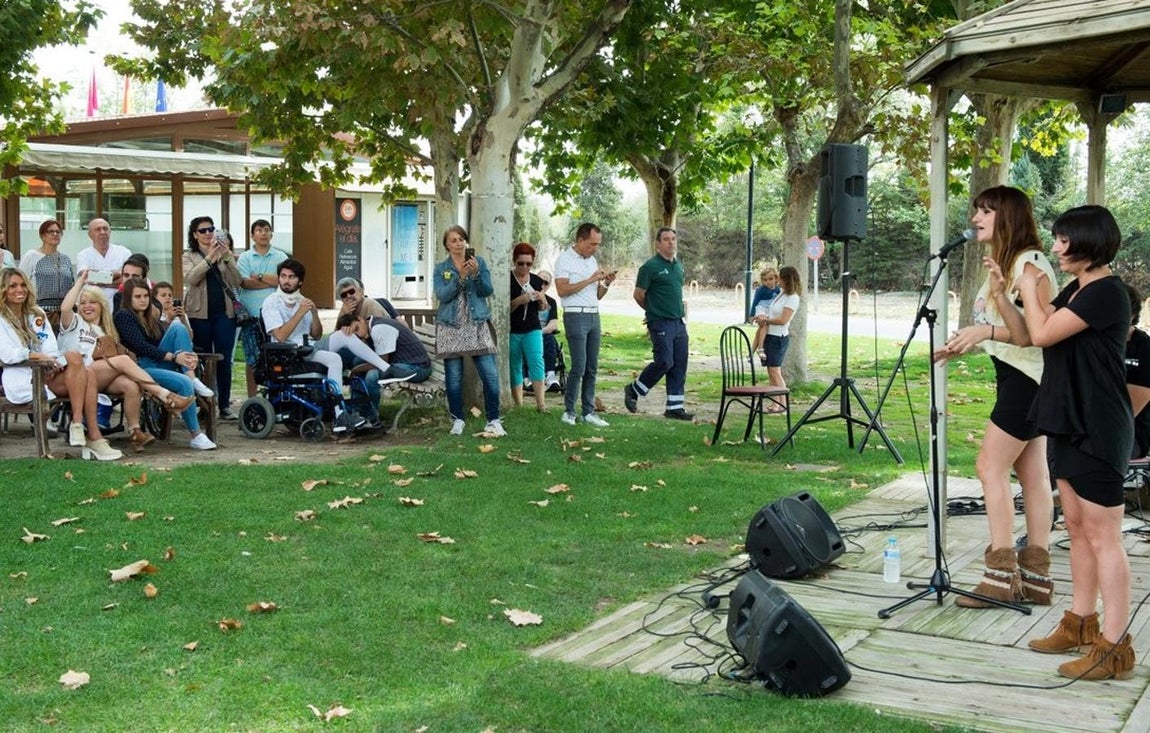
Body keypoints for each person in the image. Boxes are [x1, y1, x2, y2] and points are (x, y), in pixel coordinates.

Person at [1018, 205, 1135, 680]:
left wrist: (1028, 282)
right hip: (1067, 418)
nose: (1058, 248)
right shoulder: (1078, 289)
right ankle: (1081, 623)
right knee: (1079, 528)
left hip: (1099, 424)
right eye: (1057, 239)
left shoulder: (1106, 293)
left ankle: (1114, 647)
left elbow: (1044, 331)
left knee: (1104, 536)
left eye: (1065, 240)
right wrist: (1015, 292)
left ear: (1090, 241)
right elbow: (1033, 329)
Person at [932, 186, 1057, 609]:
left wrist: (982, 331)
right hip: (1019, 376)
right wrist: (967, 341)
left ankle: (1001, 575)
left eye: (985, 211)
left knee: (989, 466)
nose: (975, 219)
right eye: (975, 211)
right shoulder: (1003, 265)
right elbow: (1011, 331)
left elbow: (1034, 335)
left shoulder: (1029, 263)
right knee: (1033, 474)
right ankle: (1037, 580)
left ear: (1007, 216)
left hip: (1029, 378)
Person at [58, 273, 195, 452]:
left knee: (130, 385)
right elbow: (65, 307)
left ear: (102, 305)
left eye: (92, 302)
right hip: (76, 376)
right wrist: (80, 283)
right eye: (83, 303)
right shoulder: (73, 323)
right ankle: (165, 396)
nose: (87, 307)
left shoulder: (107, 330)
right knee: (122, 360)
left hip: (100, 378)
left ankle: (135, 432)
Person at [0, 267, 121, 460]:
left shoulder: (36, 313)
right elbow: (7, 354)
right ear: (3, 290)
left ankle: (77, 424)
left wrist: (50, 361)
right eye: (12, 286)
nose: (19, 289)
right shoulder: (1, 319)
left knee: (76, 359)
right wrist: (38, 357)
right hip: (23, 376)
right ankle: (92, 436)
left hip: (48, 372)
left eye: (23, 284)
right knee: (86, 373)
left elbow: (50, 346)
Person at [261, 258, 365, 434]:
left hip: (308, 348)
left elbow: (316, 334)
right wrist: (300, 312)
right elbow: (279, 336)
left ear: (300, 281)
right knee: (334, 359)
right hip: (287, 354)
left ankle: (354, 406)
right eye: (283, 276)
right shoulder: (272, 302)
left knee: (343, 340)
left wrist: (314, 313)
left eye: (291, 277)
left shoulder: (304, 300)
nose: (286, 281)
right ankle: (340, 413)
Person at [115, 279, 217, 450]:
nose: (143, 300)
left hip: (159, 362)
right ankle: (196, 435)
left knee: (178, 328)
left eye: (146, 296)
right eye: (137, 296)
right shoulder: (123, 316)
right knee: (183, 383)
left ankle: (190, 374)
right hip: (141, 368)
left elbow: (168, 340)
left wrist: (186, 355)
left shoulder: (150, 317)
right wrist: (174, 357)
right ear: (128, 298)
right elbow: (141, 346)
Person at [433, 225, 504, 437]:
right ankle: (458, 420)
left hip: (476, 325)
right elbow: (443, 296)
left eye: (461, 239)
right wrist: (460, 278)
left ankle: (493, 419)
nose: (458, 243)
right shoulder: (440, 269)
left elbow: (487, 290)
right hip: (451, 327)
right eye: (453, 240)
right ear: (446, 244)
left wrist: (475, 274)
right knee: (454, 378)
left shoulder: (479, 262)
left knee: (490, 376)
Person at [622, 227, 692, 420]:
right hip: (660, 322)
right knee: (664, 361)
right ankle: (634, 389)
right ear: (658, 244)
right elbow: (638, 295)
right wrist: (653, 311)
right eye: (666, 239)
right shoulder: (650, 267)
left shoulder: (678, 266)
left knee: (679, 364)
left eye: (673, 239)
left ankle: (674, 407)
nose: (671, 242)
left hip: (679, 322)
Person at [554, 223, 616, 427]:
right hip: (575, 315)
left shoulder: (592, 260)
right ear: (580, 240)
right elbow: (562, 290)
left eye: (597, 245)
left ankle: (588, 411)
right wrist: (590, 279)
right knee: (579, 365)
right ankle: (569, 411)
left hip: (593, 315)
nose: (595, 248)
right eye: (592, 244)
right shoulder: (564, 260)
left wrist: (605, 283)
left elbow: (597, 295)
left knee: (592, 366)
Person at [182, 216, 243, 420]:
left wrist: (227, 258)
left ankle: (224, 405)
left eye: (211, 229)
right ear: (194, 235)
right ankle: (204, 405)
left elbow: (237, 281)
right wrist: (209, 259)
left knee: (224, 360)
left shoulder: (225, 254)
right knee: (202, 359)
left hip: (224, 313)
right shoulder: (188, 256)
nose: (208, 233)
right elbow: (191, 278)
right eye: (203, 230)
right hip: (199, 314)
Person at [328, 312, 430, 420]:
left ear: (360, 319)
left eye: (357, 328)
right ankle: (359, 408)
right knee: (357, 361)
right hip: (400, 364)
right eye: (355, 335)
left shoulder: (379, 329)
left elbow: (381, 362)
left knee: (372, 376)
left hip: (416, 368)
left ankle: (371, 414)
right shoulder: (370, 327)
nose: (360, 335)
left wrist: (355, 370)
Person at [237, 219, 290, 397]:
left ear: (271, 234)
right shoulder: (245, 257)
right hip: (251, 315)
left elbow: (283, 282)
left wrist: (259, 276)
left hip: (277, 316)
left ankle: (276, 396)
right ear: (252, 235)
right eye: (259, 230)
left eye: (267, 230)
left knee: (277, 357)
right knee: (252, 359)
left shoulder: (281, 257)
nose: (264, 233)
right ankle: (253, 399)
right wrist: (270, 281)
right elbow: (244, 283)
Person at [753, 265, 802, 402]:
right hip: (770, 335)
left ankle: (783, 403)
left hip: (778, 337)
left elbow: (783, 320)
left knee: (775, 372)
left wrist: (767, 320)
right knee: (771, 372)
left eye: (779, 277)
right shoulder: (782, 293)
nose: (777, 280)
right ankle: (776, 402)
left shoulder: (792, 298)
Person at [509, 242, 547, 412]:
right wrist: (518, 301)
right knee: (514, 365)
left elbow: (543, 308)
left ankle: (541, 404)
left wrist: (542, 300)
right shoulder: (507, 280)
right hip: (512, 329)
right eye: (521, 263)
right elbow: (502, 309)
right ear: (514, 261)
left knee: (536, 362)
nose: (524, 267)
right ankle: (519, 404)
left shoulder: (537, 280)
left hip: (532, 327)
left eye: (529, 264)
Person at [18, 220, 75, 332]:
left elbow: (72, 285)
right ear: (42, 235)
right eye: (51, 231)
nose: (55, 234)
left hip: (64, 314)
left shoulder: (66, 259)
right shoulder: (32, 256)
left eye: (58, 232)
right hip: (39, 312)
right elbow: (20, 282)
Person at [75, 218, 132, 304]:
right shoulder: (83, 255)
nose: (102, 232)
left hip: (119, 305)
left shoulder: (124, 252)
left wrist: (96, 280)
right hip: (93, 306)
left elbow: (129, 280)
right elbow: (86, 276)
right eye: (98, 229)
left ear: (110, 232)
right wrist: (118, 273)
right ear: (90, 235)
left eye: (105, 229)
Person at [1125, 283, 1150, 460]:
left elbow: (1128, 411)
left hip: (1131, 435)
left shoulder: (1144, 348)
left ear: (1132, 315)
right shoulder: (1093, 345)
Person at [535, 270, 561, 392]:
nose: (542, 285)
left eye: (545, 282)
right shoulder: (527, 298)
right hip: (527, 333)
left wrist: (539, 332)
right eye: (539, 281)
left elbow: (553, 324)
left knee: (550, 339)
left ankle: (550, 376)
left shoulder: (551, 302)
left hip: (543, 333)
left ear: (549, 285)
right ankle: (528, 378)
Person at [748, 266, 780, 363]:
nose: (768, 282)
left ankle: (751, 352)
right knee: (764, 325)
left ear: (776, 278)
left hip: (770, 310)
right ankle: (760, 348)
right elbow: (755, 302)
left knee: (760, 331)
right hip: (761, 309)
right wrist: (752, 315)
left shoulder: (778, 290)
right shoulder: (761, 290)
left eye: (771, 279)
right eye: (765, 280)